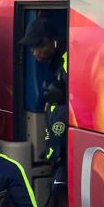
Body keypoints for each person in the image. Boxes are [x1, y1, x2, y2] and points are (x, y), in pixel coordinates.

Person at [19, 18, 68, 193]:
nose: (34, 53)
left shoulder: (69, 61)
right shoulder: (55, 63)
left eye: (36, 47)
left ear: (49, 42)